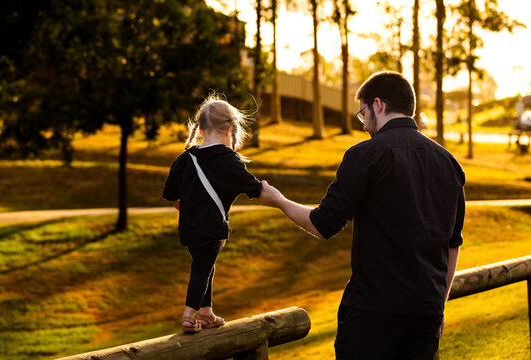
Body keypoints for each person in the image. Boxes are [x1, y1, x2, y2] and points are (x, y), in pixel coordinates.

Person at [258, 71, 465, 359]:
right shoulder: (449, 163)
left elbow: (322, 225)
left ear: (377, 105)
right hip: (426, 311)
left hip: (374, 311)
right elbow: (452, 245)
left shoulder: (364, 155)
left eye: (363, 113)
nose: (364, 124)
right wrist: (438, 304)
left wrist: (279, 201)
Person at [162, 94, 262, 333]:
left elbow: (170, 193)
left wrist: (187, 207)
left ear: (200, 129)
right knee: (202, 268)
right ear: (230, 128)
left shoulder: (185, 158)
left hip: (188, 227)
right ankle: (189, 314)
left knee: (205, 264)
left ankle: (206, 312)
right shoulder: (228, 159)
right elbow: (254, 188)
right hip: (211, 228)